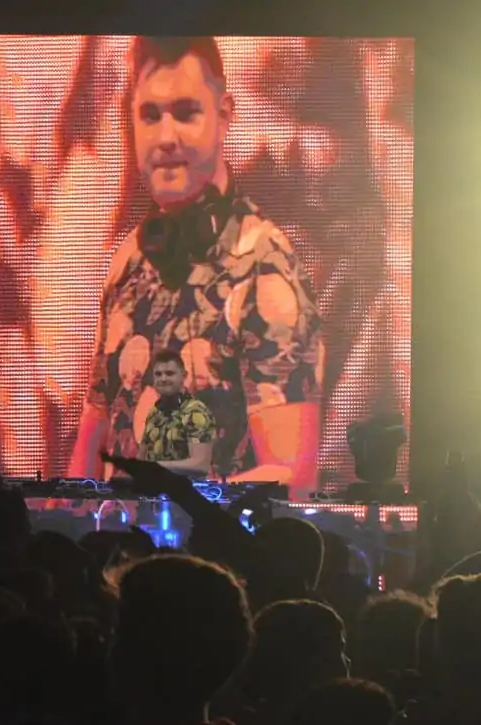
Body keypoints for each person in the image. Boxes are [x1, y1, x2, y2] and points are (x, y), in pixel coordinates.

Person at [68, 36, 323, 495]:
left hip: (213, 542)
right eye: (150, 116)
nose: (166, 137)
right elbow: (90, 445)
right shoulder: (129, 258)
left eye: (186, 113)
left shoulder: (265, 264)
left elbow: (292, 478)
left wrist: (170, 509)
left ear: (224, 116)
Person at [138, 350, 216, 478]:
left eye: (169, 373)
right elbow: (141, 458)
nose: (163, 379)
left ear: (184, 376)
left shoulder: (196, 411)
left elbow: (200, 465)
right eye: (158, 374)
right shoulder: (154, 412)